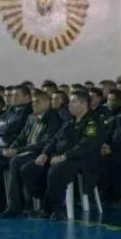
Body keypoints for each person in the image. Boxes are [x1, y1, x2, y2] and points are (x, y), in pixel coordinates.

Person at [35, 90, 106, 221]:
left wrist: (64, 156)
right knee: (32, 168)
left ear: (84, 104)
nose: (69, 105)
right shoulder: (69, 121)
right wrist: (45, 153)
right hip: (65, 157)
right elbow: (54, 139)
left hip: (84, 161)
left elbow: (85, 146)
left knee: (57, 171)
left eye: (74, 102)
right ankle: (42, 203)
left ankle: (55, 209)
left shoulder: (93, 122)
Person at [0, 91, 63, 216]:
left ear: (47, 103)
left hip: (38, 152)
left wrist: (17, 151)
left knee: (16, 162)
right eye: (33, 102)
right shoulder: (31, 117)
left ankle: (15, 204)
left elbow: (45, 143)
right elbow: (22, 137)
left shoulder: (54, 119)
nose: (33, 104)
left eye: (37, 102)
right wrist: (11, 148)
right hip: (24, 149)